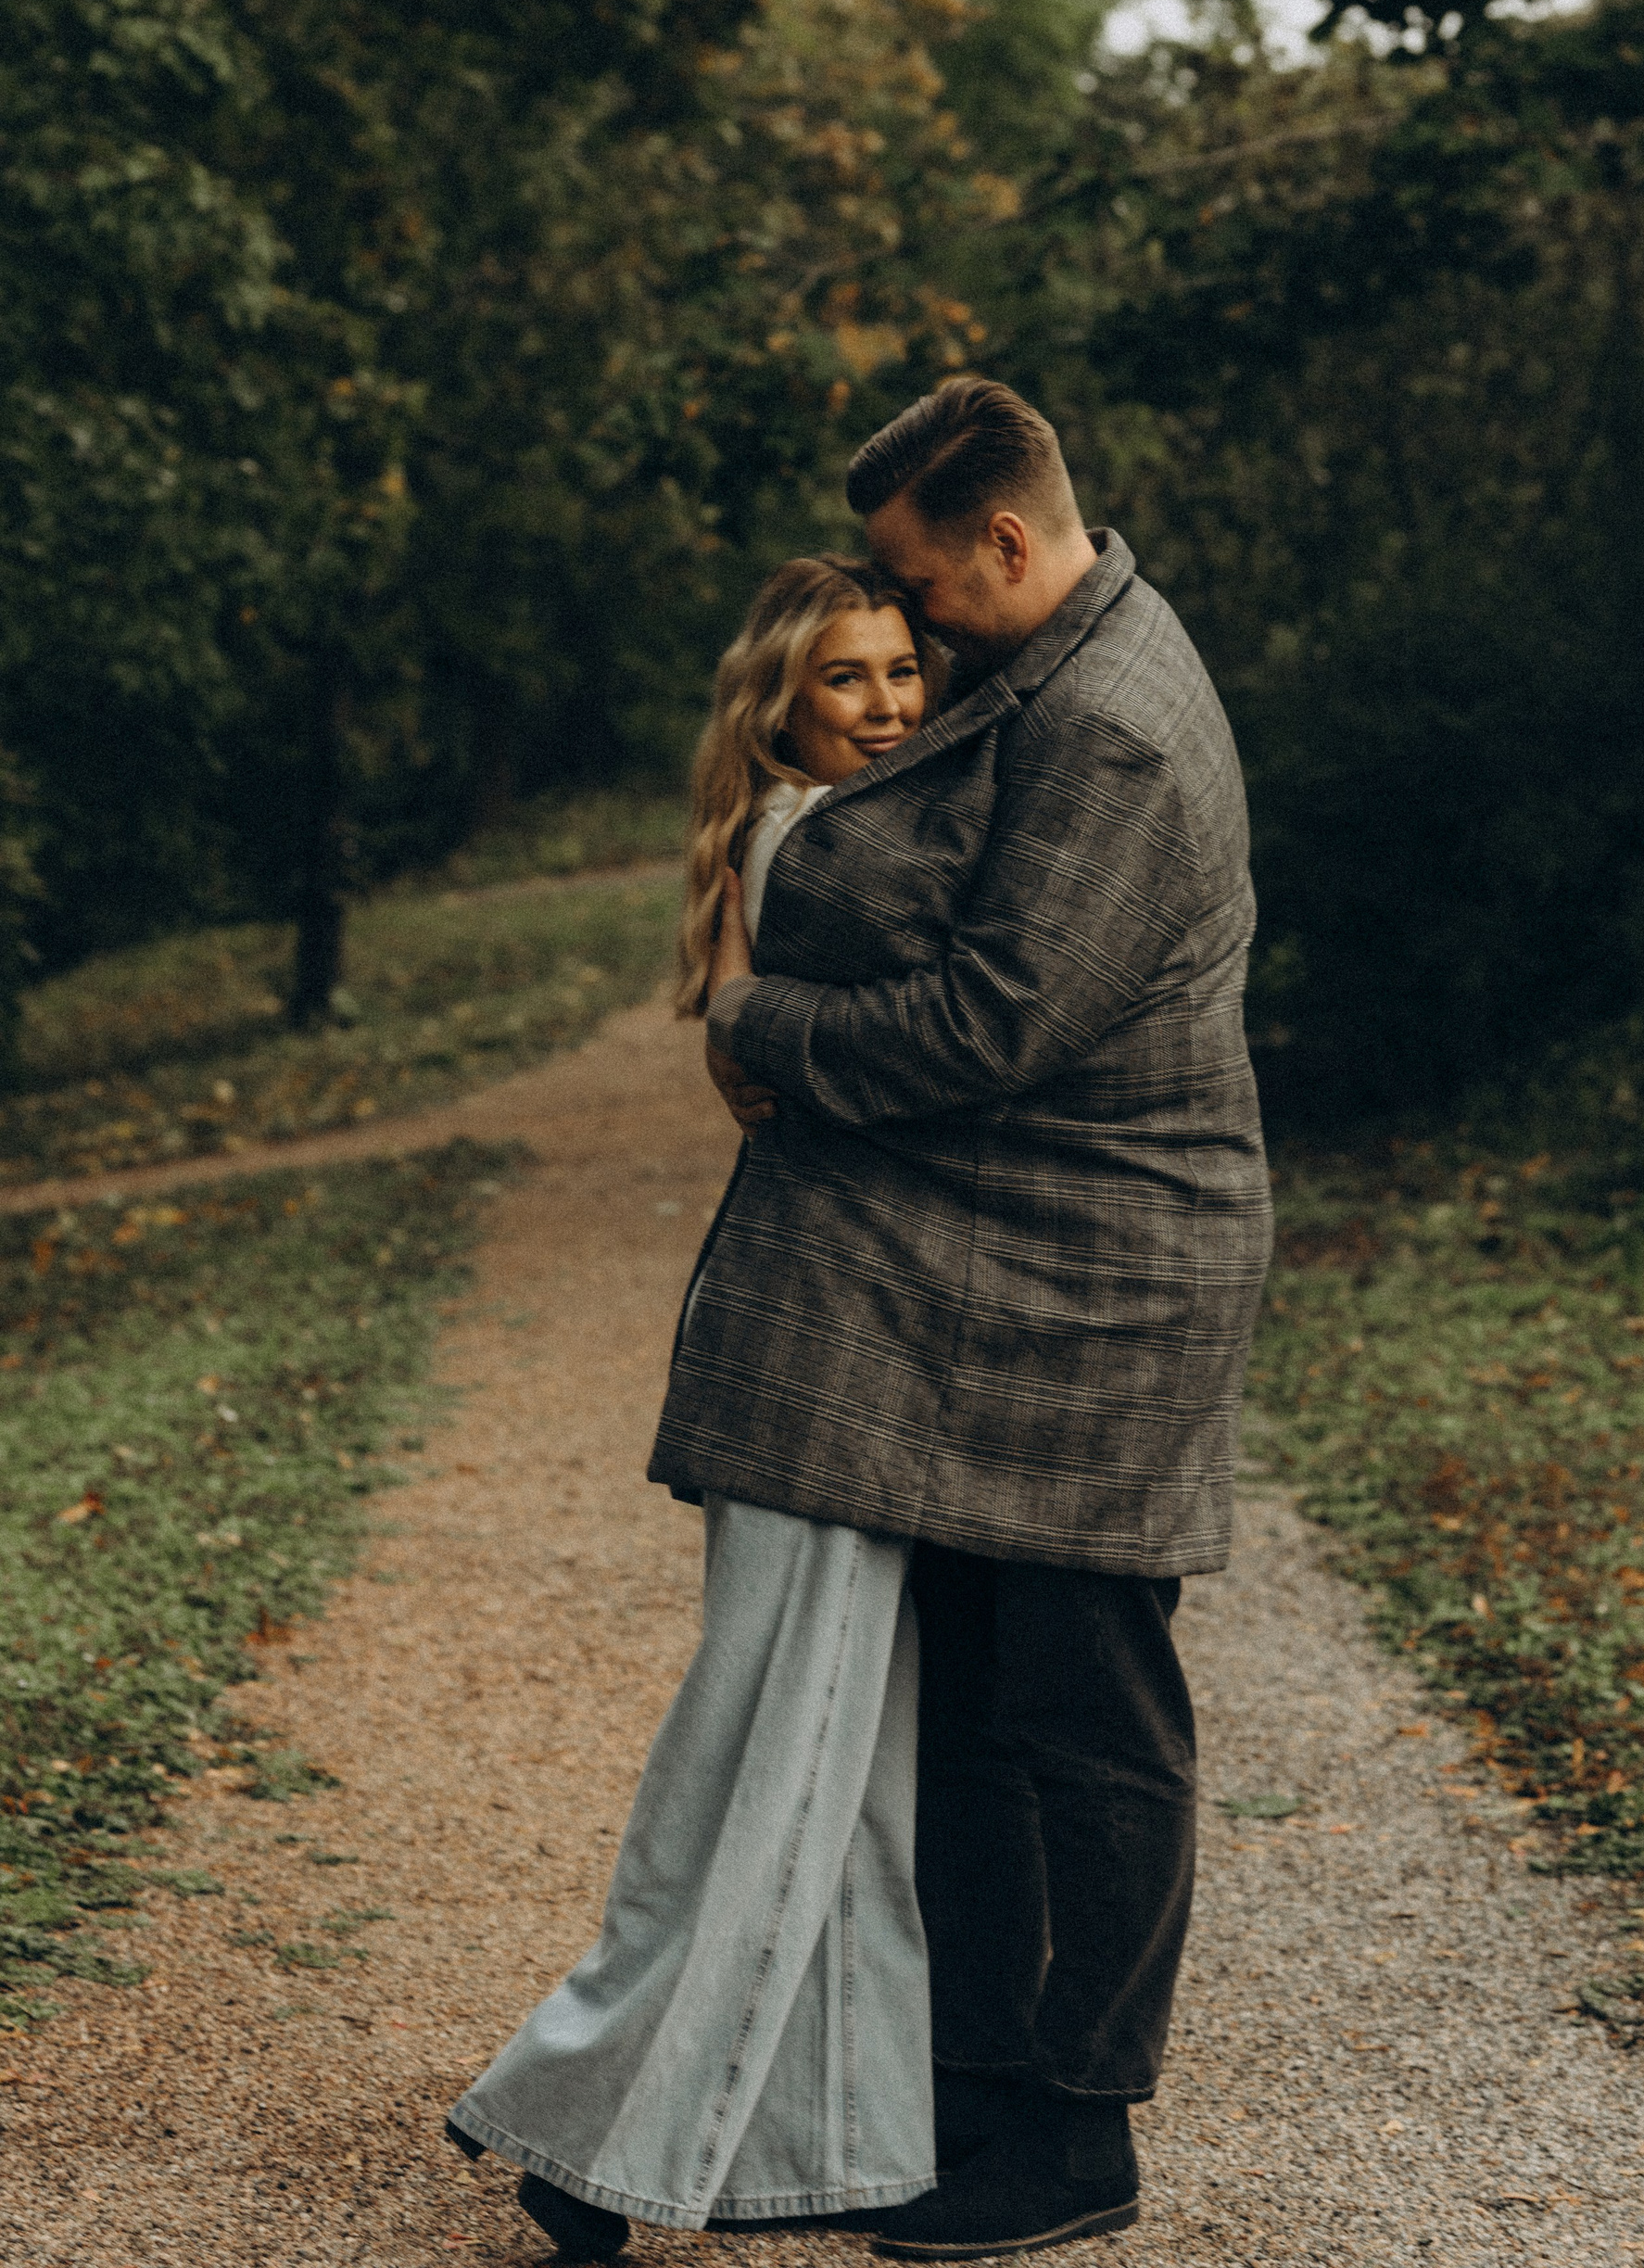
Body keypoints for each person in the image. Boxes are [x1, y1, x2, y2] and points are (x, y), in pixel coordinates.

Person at [653, 377, 1273, 2262]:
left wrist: (756, 1022)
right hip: (1004, 1260)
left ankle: (1081, 2132)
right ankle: (970, 2083)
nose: (911, 625)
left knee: (1091, 1714)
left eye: (922, 583)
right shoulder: (1045, 661)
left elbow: (994, 1021)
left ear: (1006, 538)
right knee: (982, 1706)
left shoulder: (1115, 727)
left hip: (1112, 1280)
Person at [446, 557, 946, 2264]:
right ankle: (579, 2130)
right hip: (817, 1360)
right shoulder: (824, 849)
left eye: (904, 669)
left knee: (841, 1765)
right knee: (779, 1756)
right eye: (846, 680)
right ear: (781, 708)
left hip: (838, 1346)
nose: (888, 705)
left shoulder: (800, 838)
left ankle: (827, 2145)